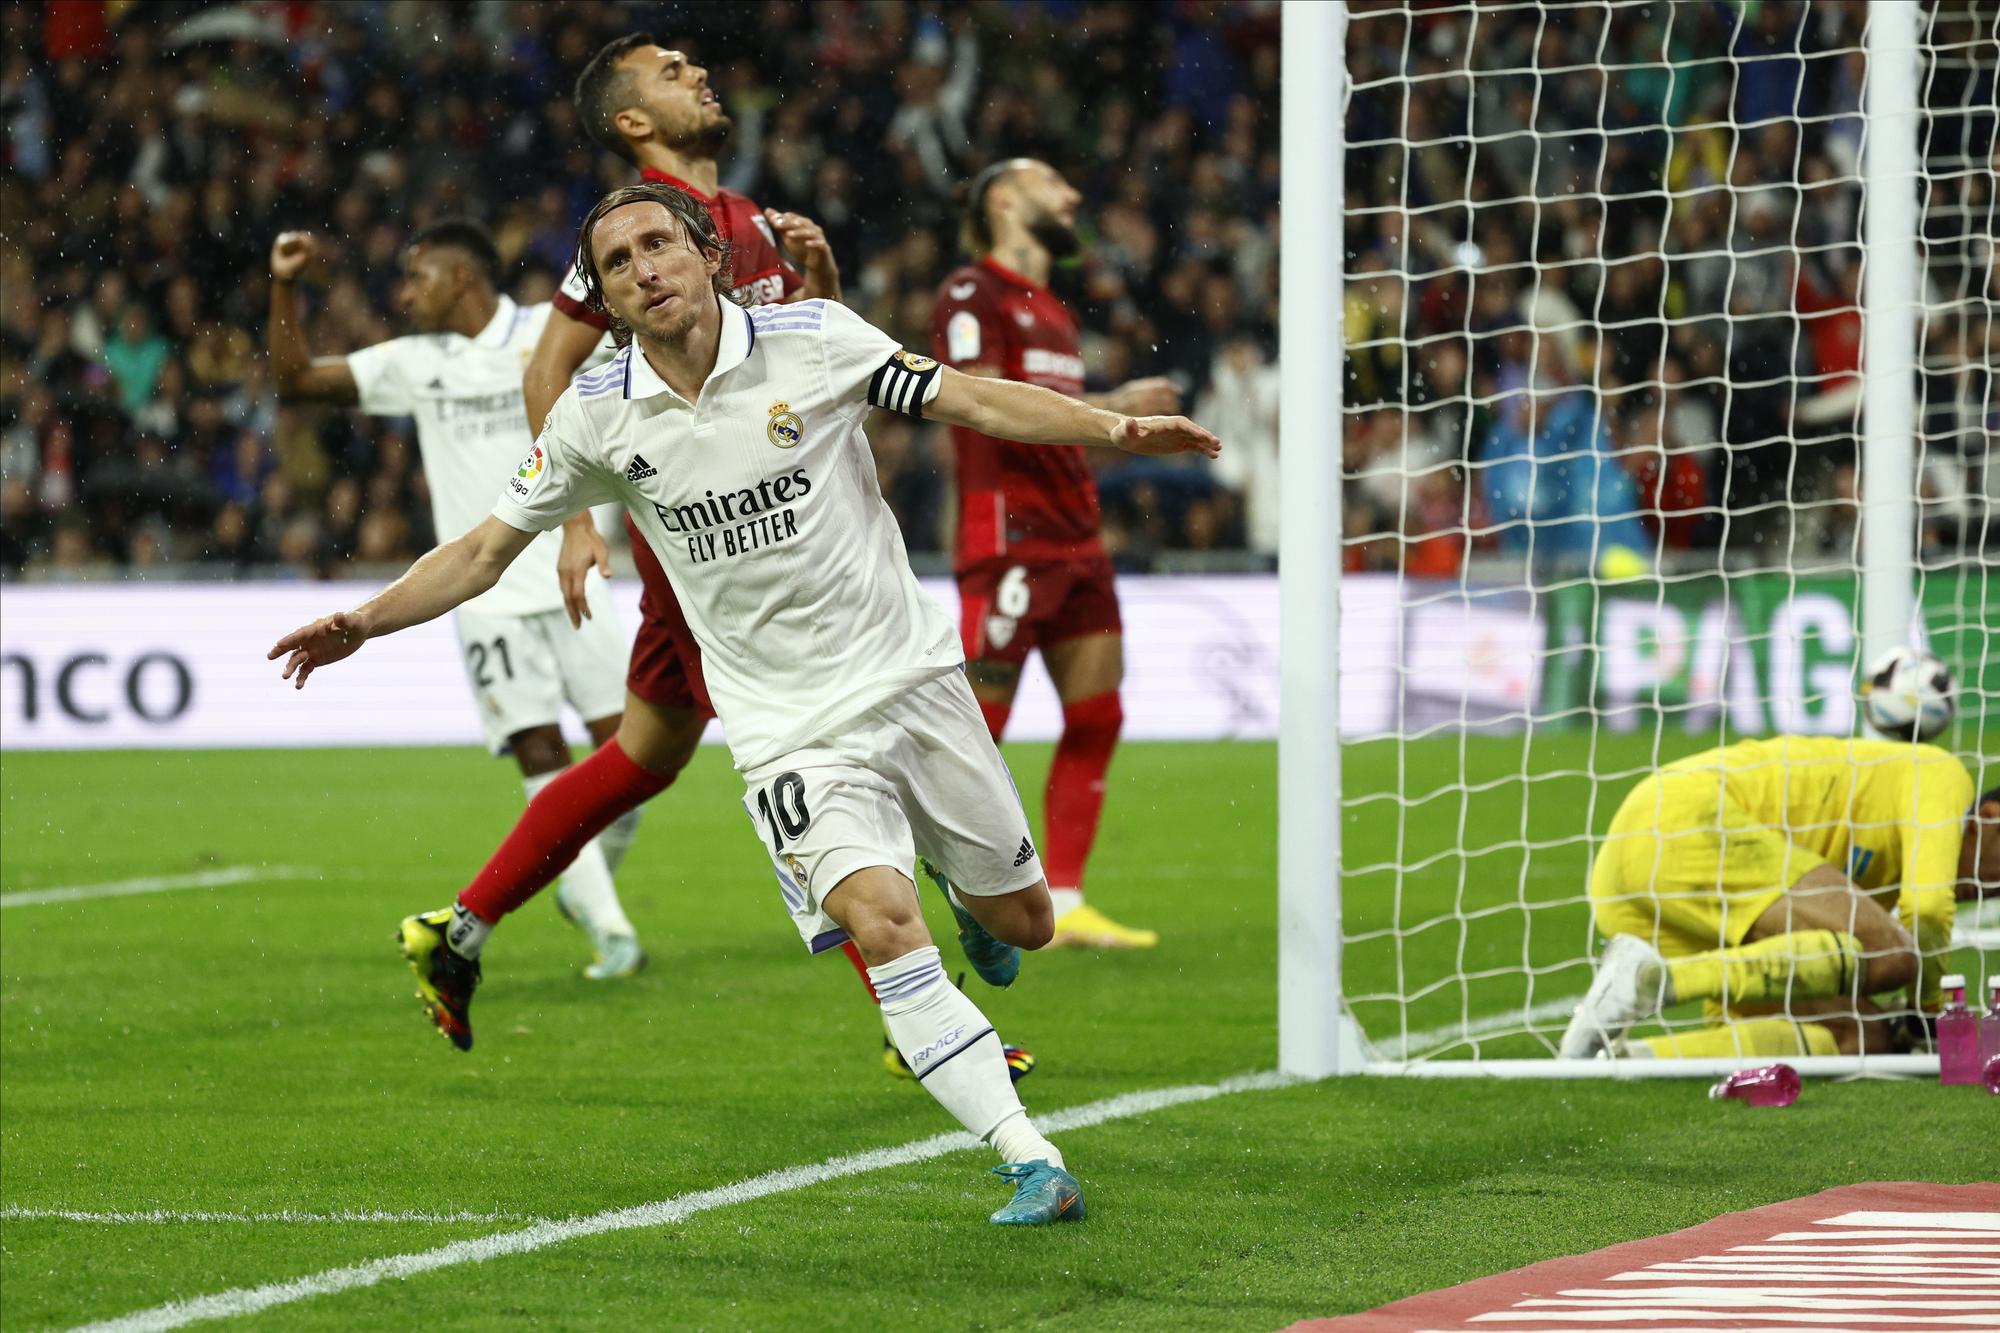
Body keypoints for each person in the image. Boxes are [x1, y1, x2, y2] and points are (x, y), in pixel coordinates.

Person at [270, 183, 1221, 1223]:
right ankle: (1026, 1154)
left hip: (908, 678)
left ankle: (967, 888)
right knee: (878, 920)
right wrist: (361, 621)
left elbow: (976, 399)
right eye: (619, 261)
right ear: (607, 296)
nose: (644, 268)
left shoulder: (813, 340)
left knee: (1024, 923)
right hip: (783, 729)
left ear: (707, 258)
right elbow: (484, 550)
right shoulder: (594, 413)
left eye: (659, 245)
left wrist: (1117, 429)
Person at [264, 218, 647, 980]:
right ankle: (611, 930)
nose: (405, 293)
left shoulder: (551, 331)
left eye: (418, 278)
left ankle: (581, 878)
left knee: (631, 757)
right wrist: (283, 286)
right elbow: (296, 380)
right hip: (482, 591)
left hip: (579, 567)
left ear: (462, 277)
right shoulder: (416, 361)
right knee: (542, 752)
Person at [931, 158, 1182, 949]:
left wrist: (1125, 425)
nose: (1073, 195)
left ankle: (1066, 897)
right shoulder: (972, 294)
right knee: (979, 730)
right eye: (1052, 183)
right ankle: (948, 884)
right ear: (1002, 198)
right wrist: (1111, 408)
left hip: (1078, 539)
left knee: (1099, 714)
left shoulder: (1057, 313)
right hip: (1010, 540)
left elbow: (1059, 434)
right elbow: (980, 406)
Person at [1561, 736, 1998, 1059]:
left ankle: (1615, 1058)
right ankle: (1653, 980)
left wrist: (1903, 1022)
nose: (1983, 893)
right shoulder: (1942, 776)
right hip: (1683, 819)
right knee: (1892, 954)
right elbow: (1925, 909)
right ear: (1989, 819)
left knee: (1864, 1036)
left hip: (1634, 892)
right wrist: (1929, 1013)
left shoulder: (1869, 886)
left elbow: (1737, 1010)